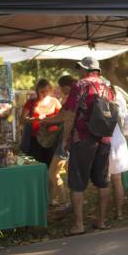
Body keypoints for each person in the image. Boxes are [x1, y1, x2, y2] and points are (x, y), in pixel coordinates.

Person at [62, 57, 115, 235]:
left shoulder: (80, 85)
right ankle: (101, 221)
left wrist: (64, 140)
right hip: (105, 138)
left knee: (77, 182)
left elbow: (70, 115)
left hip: (83, 138)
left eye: (80, 69)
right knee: (102, 180)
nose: (79, 72)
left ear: (85, 70)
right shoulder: (107, 86)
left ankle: (79, 225)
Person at [46, 75, 76, 208]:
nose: (61, 90)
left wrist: (43, 121)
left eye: (61, 87)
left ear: (66, 86)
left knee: (53, 172)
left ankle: (65, 202)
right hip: (74, 139)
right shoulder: (76, 97)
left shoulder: (71, 98)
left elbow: (64, 118)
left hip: (67, 140)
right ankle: (72, 200)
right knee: (69, 172)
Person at [19, 79, 62, 166]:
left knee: (50, 164)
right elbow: (21, 120)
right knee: (36, 164)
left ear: (50, 90)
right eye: (42, 91)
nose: (45, 93)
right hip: (34, 139)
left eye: (47, 91)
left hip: (51, 138)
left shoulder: (55, 102)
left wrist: (50, 121)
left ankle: (48, 179)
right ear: (37, 91)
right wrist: (34, 119)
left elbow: (62, 118)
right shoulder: (31, 103)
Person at [109, 89, 128, 220]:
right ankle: (118, 213)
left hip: (106, 142)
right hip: (117, 140)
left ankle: (103, 214)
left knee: (105, 181)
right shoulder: (118, 105)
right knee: (117, 180)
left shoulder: (98, 103)